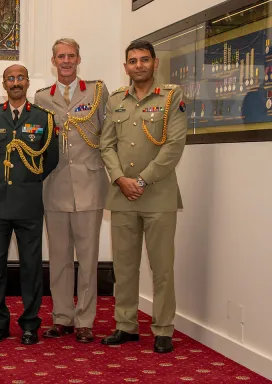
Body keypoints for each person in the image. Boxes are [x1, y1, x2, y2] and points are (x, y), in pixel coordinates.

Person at [99, 40, 187, 354]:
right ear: (126, 67)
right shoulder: (116, 100)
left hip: (158, 195)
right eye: (133, 61)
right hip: (123, 195)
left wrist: (141, 180)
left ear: (154, 63)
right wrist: (120, 179)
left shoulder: (171, 97)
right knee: (124, 267)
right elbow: (106, 144)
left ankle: (163, 329)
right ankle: (126, 325)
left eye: (144, 60)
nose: (139, 65)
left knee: (162, 268)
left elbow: (173, 146)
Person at [0, 63, 59, 345]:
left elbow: (51, 159)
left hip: (28, 203)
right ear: (4, 84)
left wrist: (28, 180)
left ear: (27, 82)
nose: (15, 82)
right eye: (10, 78)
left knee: (31, 267)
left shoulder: (43, 118)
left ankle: (29, 325)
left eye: (20, 78)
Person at [34, 38, 109, 343]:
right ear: (53, 61)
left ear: (79, 59)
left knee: (89, 258)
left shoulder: (97, 92)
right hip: (55, 185)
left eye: (71, 56)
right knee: (59, 257)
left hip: (89, 184)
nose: (66, 61)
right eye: (60, 56)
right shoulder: (42, 98)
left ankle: (86, 320)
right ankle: (62, 316)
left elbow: (108, 135)